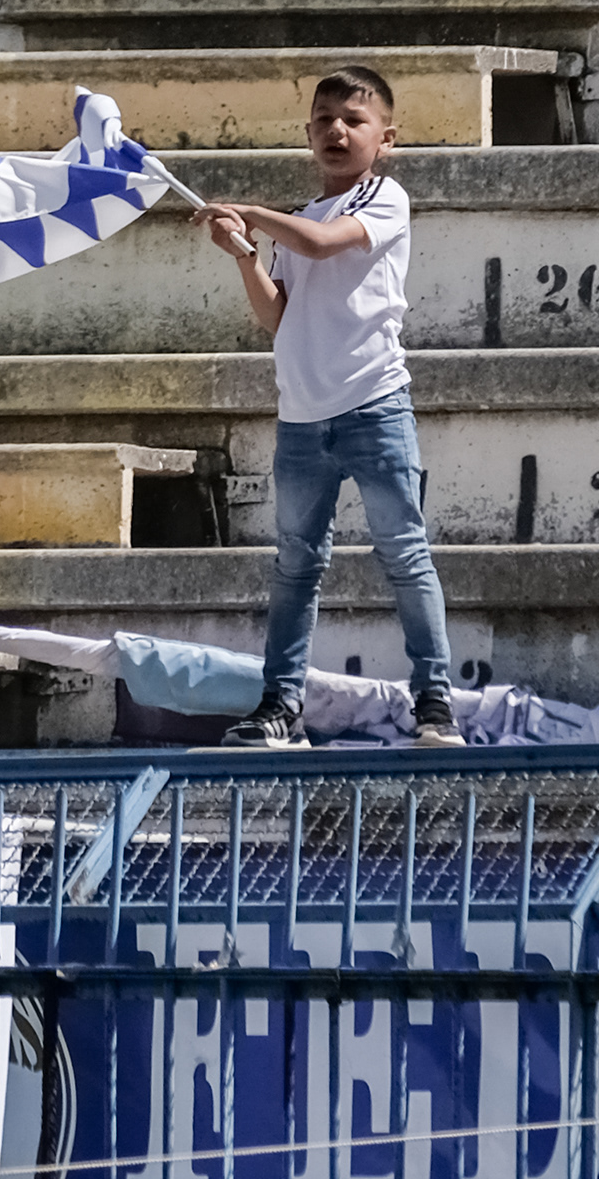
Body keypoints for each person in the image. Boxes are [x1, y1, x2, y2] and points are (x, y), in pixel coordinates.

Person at [190, 66, 465, 750]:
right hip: (302, 418)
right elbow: (276, 317)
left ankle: (435, 705)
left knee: (404, 554)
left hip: (375, 406)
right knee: (295, 566)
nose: (335, 131)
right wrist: (243, 253)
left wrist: (251, 213)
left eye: (353, 119)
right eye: (322, 120)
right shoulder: (300, 216)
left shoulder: (385, 199)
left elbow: (322, 244)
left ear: (387, 138)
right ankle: (281, 707)